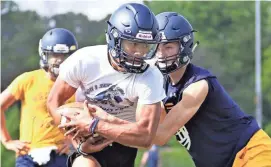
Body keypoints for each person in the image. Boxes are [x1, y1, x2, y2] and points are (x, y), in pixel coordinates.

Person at [151, 12, 271, 167]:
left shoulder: (197, 85)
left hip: (249, 152)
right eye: (157, 46)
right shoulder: (164, 89)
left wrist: (114, 129)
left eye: (168, 47)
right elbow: (152, 127)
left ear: (184, 46)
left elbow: (160, 136)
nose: (161, 53)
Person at [47, 3, 165, 167]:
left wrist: (96, 125)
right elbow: (53, 102)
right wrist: (74, 140)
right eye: (134, 44)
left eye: (145, 45)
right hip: (84, 134)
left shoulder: (151, 76)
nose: (140, 52)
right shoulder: (84, 60)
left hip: (123, 140)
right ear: (114, 38)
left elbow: (145, 137)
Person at [0, 28, 78, 167]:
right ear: (44, 54)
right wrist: (6, 141)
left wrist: (72, 142)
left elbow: (86, 117)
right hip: (28, 154)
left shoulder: (76, 84)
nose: (60, 60)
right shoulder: (28, 79)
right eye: (55, 54)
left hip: (60, 154)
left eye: (65, 55)